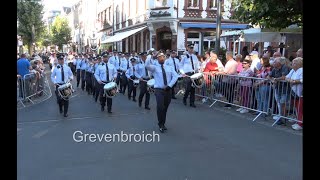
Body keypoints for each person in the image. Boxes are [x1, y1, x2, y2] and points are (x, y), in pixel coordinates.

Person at [145, 52, 179, 133]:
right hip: (159, 90)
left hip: (168, 89)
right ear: (157, 59)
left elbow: (175, 76)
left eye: (163, 57)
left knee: (165, 108)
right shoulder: (155, 68)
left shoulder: (169, 67)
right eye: (160, 57)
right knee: (160, 107)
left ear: (165, 58)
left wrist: (169, 85)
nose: (162, 58)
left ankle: (163, 123)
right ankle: (160, 124)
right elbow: (146, 65)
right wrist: (150, 56)